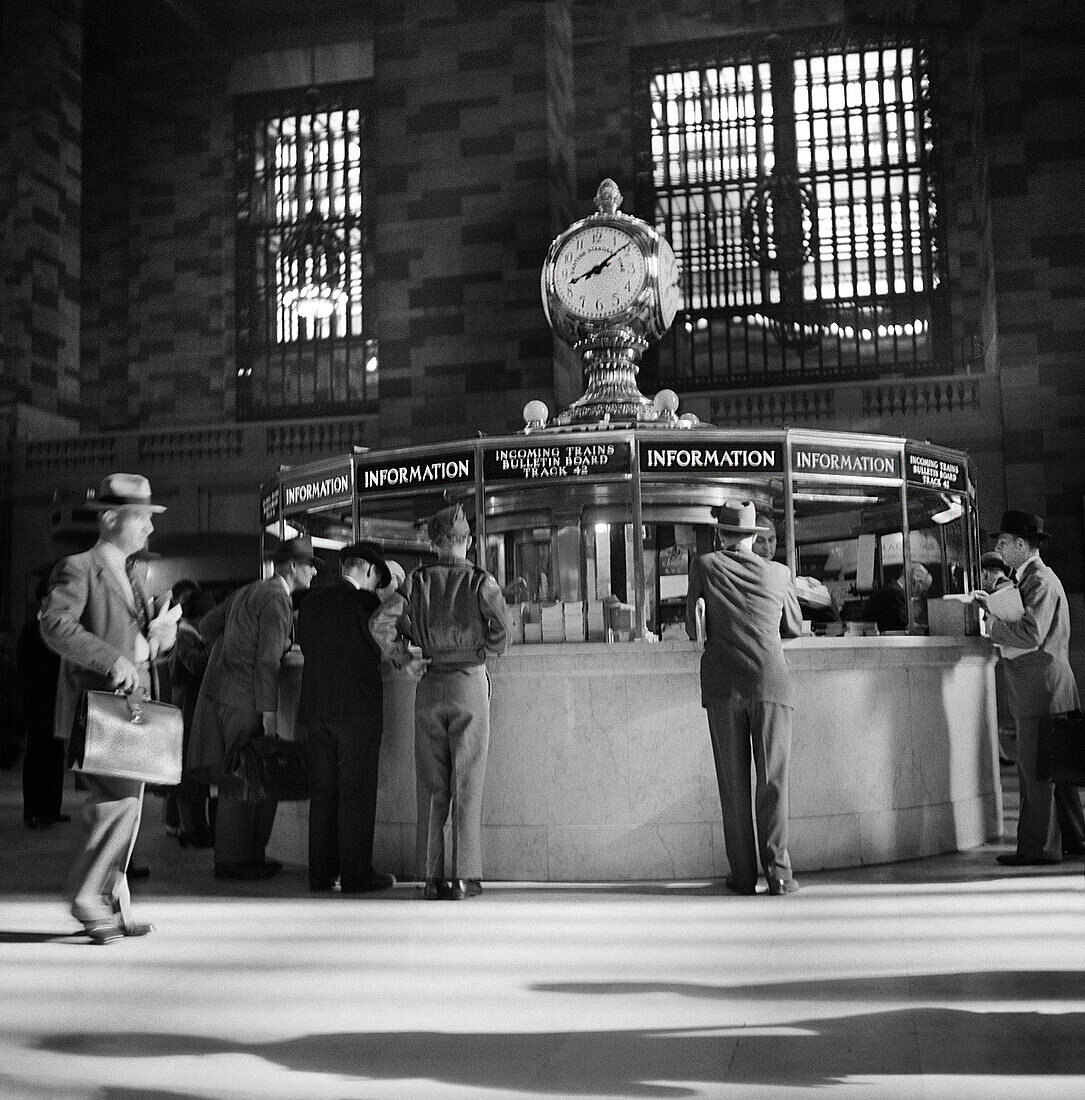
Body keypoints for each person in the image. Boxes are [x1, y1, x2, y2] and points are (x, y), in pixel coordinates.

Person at [39, 473, 180, 944]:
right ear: (110, 518)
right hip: (96, 710)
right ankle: (87, 895)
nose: (150, 528)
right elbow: (55, 625)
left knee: (127, 807)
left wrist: (160, 639)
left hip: (126, 710)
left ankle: (116, 905)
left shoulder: (134, 575)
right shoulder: (78, 567)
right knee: (117, 807)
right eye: (142, 517)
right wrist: (112, 658)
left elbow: (138, 648)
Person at [371, 504, 509, 901]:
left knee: (431, 786)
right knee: (468, 782)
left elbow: (379, 623)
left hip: (429, 685)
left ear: (434, 542)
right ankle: (465, 877)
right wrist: (484, 648)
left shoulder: (415, 581)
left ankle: (430, 879)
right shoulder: (482, 582)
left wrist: (404, 657)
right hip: (468, 683)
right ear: (467, 541)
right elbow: (503, 631)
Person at [685, 500, 803, 896]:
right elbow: (794, 627)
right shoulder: (780, 573)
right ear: (755, 537)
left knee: (733, 785)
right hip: (771, 683)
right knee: (772, 782)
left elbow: (691, 627)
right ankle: (780, 875)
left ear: (722, 535)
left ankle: (742, 876)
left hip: (723, 686)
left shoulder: (704, 566)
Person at [190, 536, 318, 880]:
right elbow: (266, 662)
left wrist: (235, 647)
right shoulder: (277, 600)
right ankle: (233, 860)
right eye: (310, 566)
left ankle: (245, 855)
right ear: (292, 567)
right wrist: (270, 713)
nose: (314, 572)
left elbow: (207, 626)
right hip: (246, 697)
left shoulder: (249, 591)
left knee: (241, 776)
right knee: (244, 778)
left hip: (224, 691)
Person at [973, 510, 1084, 865]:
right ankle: (1074, 839)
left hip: (1040, 691)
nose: (1000, 549)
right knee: (1059, 772)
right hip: (1049, 689)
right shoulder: (1035, 579)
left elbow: (1030, 634)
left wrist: (990, 622)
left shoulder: (1037, 580)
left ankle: (1038, 849)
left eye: (1004, 542)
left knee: (1036, 774)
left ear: (1022, 544)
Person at [296, 541, 396, 894]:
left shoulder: (310, 603)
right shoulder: (368, 605)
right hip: (357, 711)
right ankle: (356, 874)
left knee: (322, 792)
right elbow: (386, 645)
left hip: (314, 709)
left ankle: (320, 874)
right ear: (368, 570)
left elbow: (305, 646)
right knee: (356, 791)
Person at [167, 588, 217, 848]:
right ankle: (192, 829)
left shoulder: (189, 635)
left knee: (194, 776)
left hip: (190, 712)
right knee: (188, 778)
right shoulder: (186, 636)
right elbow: (194, 665)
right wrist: (216, 648)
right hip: (186, 713)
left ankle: (197, 828)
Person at [18, 577, 67, 829]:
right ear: (43, 599)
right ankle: (33, 810)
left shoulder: (59, 626)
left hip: (56, 698)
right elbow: (25, 669)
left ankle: (52, 808)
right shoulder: (30, 629)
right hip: (38, 700)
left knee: (54, 754)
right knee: (37, 754)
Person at [861, 561, 932, 632]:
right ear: (917, 582)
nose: (921, 594)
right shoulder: (897, 593)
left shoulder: (890, 588)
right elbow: (904, 625)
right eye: (924, 590)